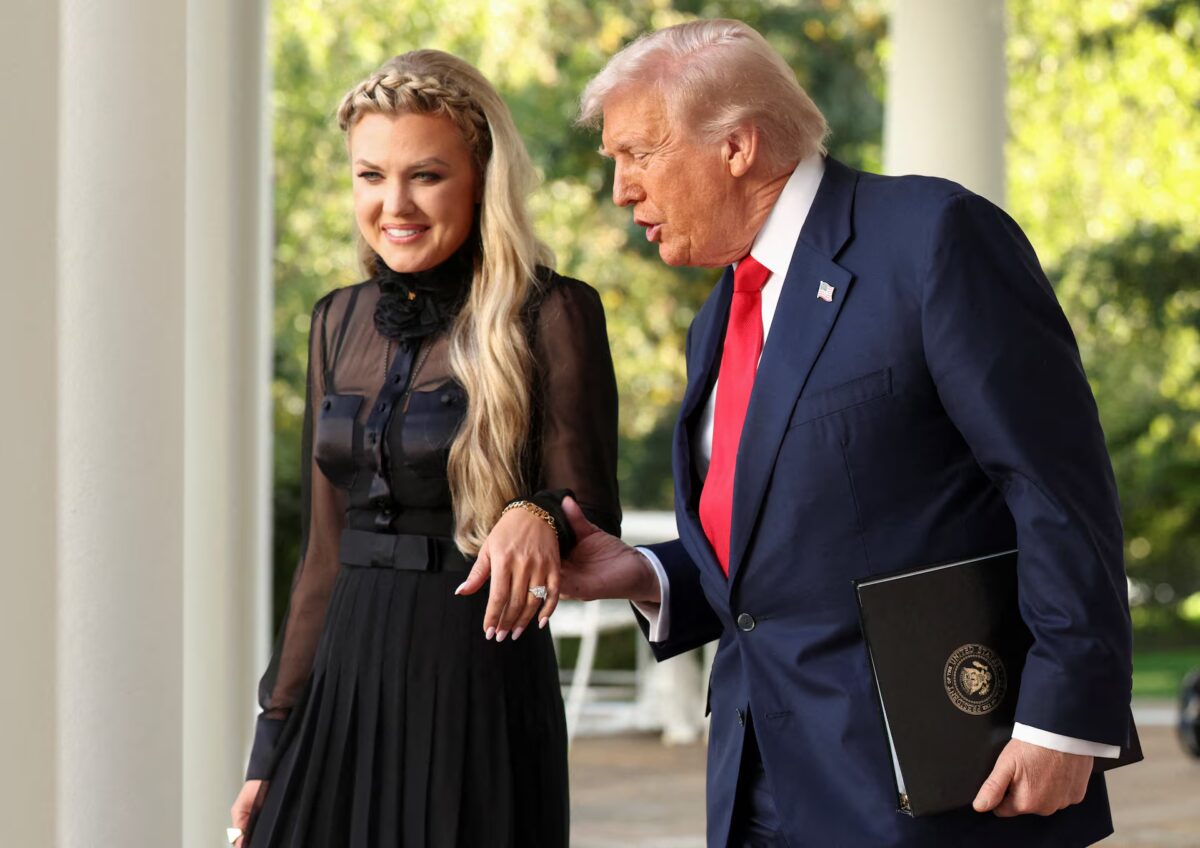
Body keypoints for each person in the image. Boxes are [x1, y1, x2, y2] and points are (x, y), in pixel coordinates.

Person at [558, 18, 1135, 848]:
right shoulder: (719, 317)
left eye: (637, 154)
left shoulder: (932, 237)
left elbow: (1056, 486)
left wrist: (1063, 719)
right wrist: (649, 574)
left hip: (932, 788)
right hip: (756, 786)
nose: (622, 191)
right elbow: (800, 539)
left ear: (737, 146)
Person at [228, 49, 621, 847]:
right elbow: (323, 554)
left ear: (481, 179)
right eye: (371, 176)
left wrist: (537, 513)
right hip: (341, 683)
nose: (394, 204)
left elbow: (590, 508)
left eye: (426, 176)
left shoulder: (552, 314)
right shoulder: (336, 321)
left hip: (474, 684)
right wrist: (272, 738)